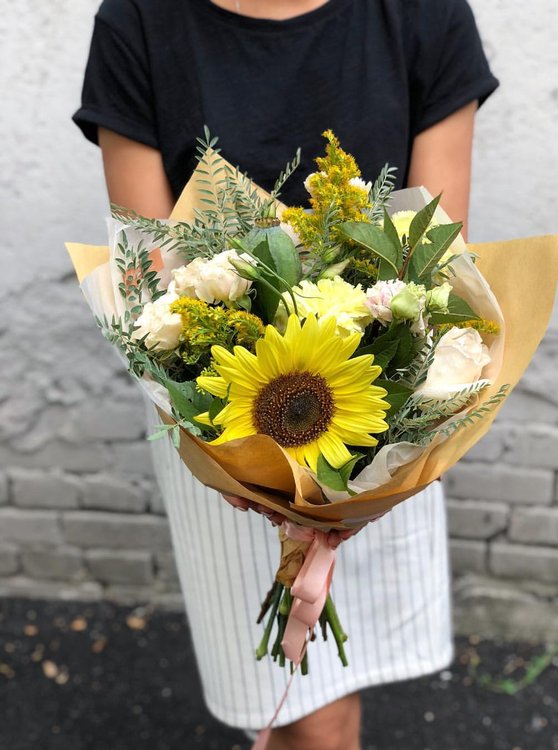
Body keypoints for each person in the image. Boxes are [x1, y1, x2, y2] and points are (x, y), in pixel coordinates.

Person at [74, 1, 498, 748]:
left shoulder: (422, 14)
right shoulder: (140, 20)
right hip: (220, 420)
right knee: (307, 716)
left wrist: (371, 457)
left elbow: (433, 261)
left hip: (386, 416)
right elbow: (152, 281)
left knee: (330, 707)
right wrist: (248, 467)